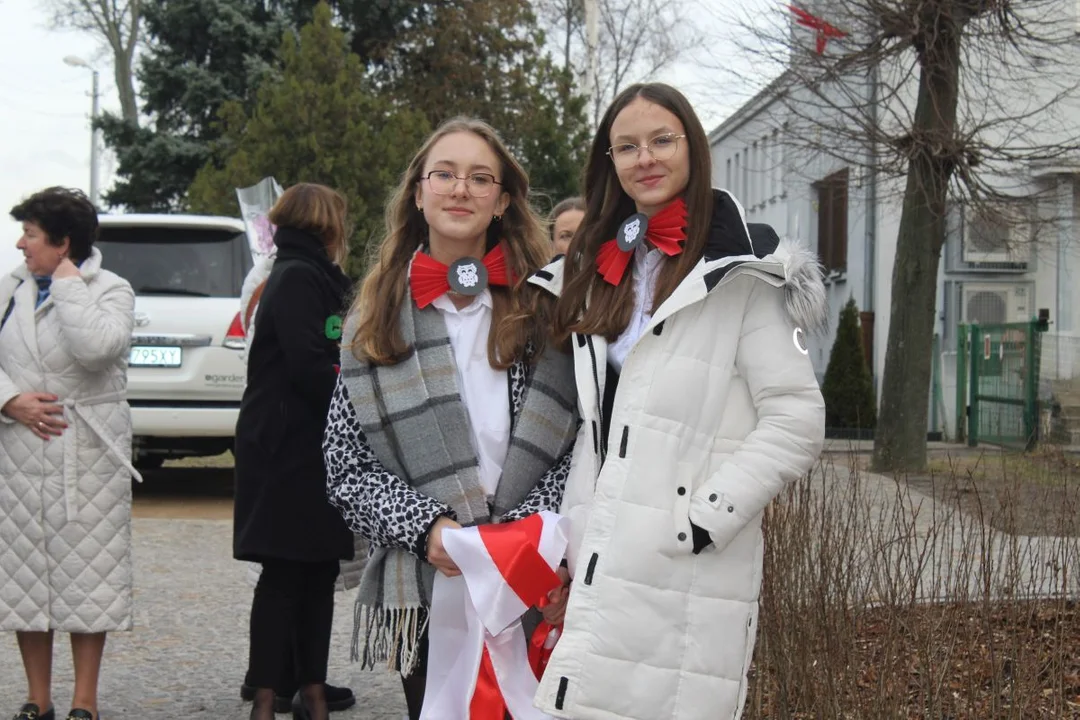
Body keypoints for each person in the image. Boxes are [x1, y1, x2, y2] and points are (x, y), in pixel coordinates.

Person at [530, 83, 827, 720]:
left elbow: (798, 417)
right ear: (608, 162)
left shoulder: (744, 274)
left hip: (684, 559)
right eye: (627, 146)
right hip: (600, 546)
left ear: (693, 147)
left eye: (662, 140)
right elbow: (596, 421)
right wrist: (569, 534)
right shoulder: (595, 271)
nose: (646, 158)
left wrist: (703, 518)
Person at [323, 117, 578, 720]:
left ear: (503, 200)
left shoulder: (548, 309)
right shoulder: (372, 319)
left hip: (535, 568)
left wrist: (517, 539)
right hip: (424, 578)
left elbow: (578, 441)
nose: (460, 188)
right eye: (445, 174)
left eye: (480, 177)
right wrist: (427, 530)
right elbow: (344, 467)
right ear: (418, 192)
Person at [0, 187, 140, 720]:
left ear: (62, 243)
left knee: (89, 573)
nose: (20, 244)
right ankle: (37, 697)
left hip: (86, 453)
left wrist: (67, 286)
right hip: (19, 452)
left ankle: (86, 700)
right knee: (25, 575)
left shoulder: (112, 289)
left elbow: (97, 348)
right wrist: (9, 400)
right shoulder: (10, 288)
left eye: (31, 235)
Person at [233, 183, 356, 720]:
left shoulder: (310, 275)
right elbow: (313, 364)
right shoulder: (300, 277)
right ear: (327, 224)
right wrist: (361, 405)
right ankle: (268, 697)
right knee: (287, 574)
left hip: (307, 443)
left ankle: (310, 689)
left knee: (318, 572)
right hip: (289, 446)